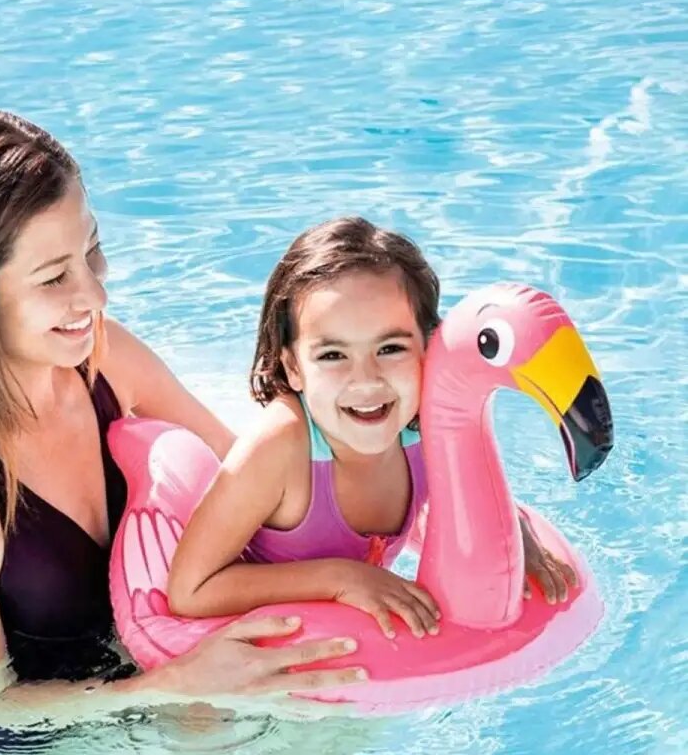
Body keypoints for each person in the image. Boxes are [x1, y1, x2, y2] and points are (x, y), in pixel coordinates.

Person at [0, 112, 366, 730]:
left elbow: (262, 485)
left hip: (168, 675)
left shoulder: (104, 357)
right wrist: (172, 685)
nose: (95, 296)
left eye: (92, 251)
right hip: (43, 743)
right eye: (54, 277)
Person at [167, 217, 576, 633]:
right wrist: (339, 578)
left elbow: (468, 496)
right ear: (293, 368)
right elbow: (189, 590)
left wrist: (510, 534)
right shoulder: (281, 448)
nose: (365, 380)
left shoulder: (431, 428)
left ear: (429, 347)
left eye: (390, 348)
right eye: (332, 355)